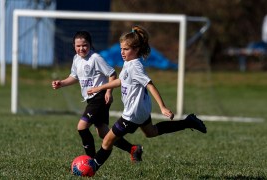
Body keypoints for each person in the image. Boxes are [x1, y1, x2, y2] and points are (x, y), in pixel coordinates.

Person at [87, 25, 207, 171]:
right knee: (151, 132)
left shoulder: (135, 67)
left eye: (126, 49)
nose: (122, 52)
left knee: (107, 141)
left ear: (136, 49)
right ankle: (188, 122)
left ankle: (92, 168)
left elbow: (150, 85)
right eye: (121, 49)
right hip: (142, 109)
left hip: (132, 114)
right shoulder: (128, 63)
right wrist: (100, 88)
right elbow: (121, 80)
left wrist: (162, 107)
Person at [52, 31, 143, 162]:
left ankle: (90, 160)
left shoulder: (95, 58)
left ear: (90, 45)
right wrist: (61, 83)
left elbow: (112, 74)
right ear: (74, 46)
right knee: (103, 133)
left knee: (82, 127)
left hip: (99, 97)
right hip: (91, 99)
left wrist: (108, 92)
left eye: (84, 45)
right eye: (78, 46)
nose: (81, 48)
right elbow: (74, 77)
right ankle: (133, 149)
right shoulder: (76, 59)